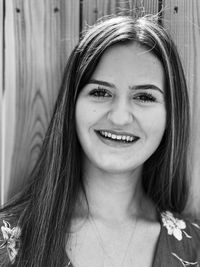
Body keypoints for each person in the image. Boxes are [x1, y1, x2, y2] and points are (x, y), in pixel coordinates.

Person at [0, 14, 200, 267]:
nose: (119, 118)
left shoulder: (195, 249)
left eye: (145, 97)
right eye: (100, 92)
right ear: (71, 106)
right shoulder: (7, 241)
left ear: (171, 115)